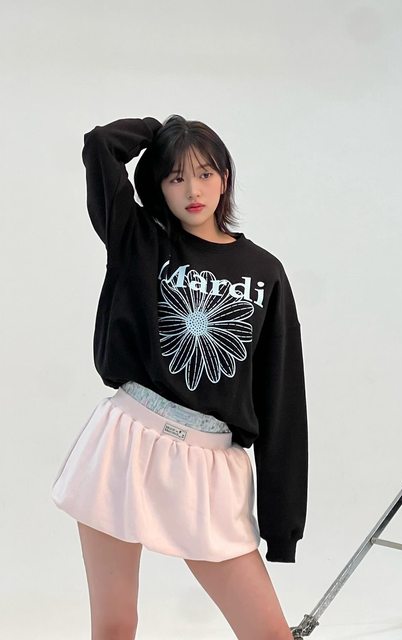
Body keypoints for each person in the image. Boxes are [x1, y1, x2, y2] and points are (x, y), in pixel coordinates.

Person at [50, 114, 309, 640]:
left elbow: (282, 398)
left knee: (269, 634)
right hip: (125, 444)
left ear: (225, 179)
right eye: (176, 177)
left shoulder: (265, 272)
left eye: (206, 173)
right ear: (159, 185)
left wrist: (282, 526)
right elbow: (100, 145)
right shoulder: (139, 240)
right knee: (115, 625)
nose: (193, 191)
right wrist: (161, 130)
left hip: (209, 467)